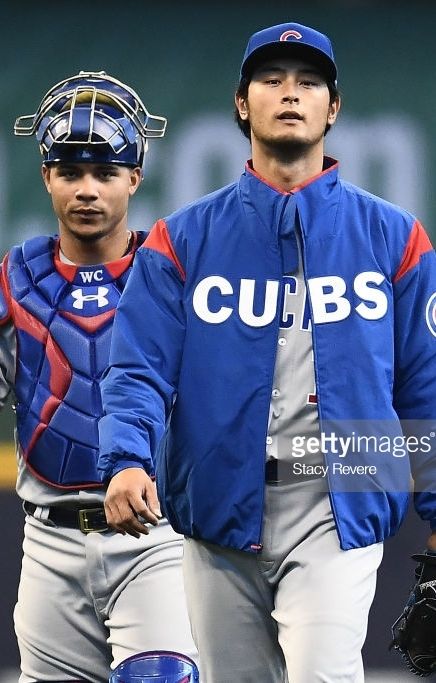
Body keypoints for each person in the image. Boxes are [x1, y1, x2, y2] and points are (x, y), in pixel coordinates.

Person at [98, 22, 436, 683]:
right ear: (241, 103)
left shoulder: (394, 237)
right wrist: (127, 460)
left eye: (309, 82)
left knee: (322, 672)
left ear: (333, 109)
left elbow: (425, 382)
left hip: (339, 503)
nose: (291, 92)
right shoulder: (182, 240)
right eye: (272, 79)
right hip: (222, 506)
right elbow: (138, 368)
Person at [5, 70, 197, 683]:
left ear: (135, 178)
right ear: (46, 177)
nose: (87, 190)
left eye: (106, 172)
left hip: (158, 535)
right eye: (69, 171)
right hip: (49, 540)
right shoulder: (15, 281)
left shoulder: (175, 274)